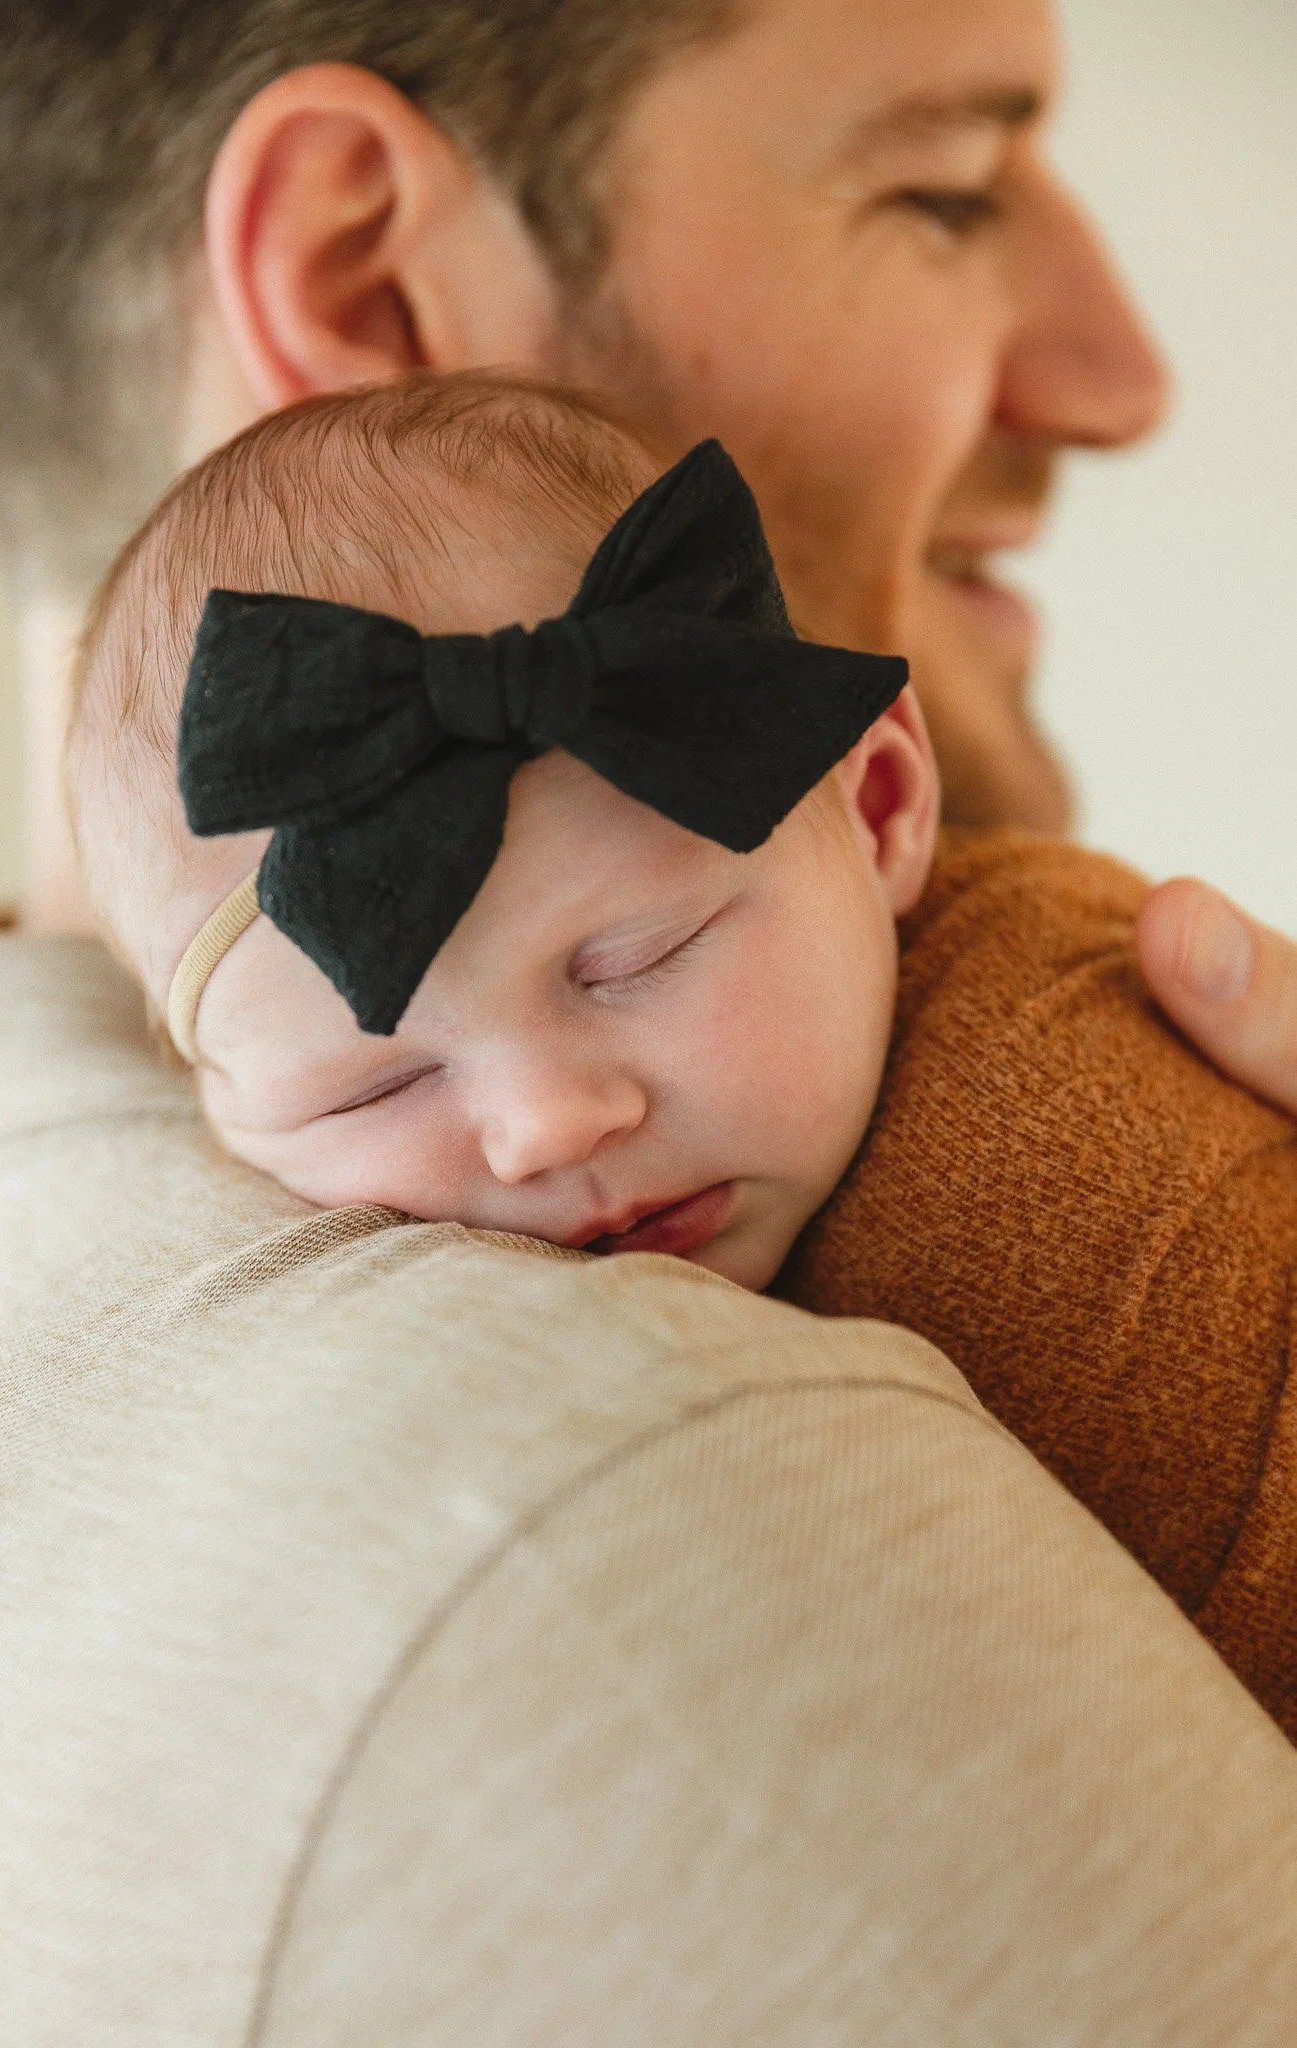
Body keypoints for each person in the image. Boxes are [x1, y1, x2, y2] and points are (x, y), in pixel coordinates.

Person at [0, 4, 1297, 2036]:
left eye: (639, 953)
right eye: (937, 187)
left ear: (883, 800)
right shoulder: (705, 1501)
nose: (1121, 373)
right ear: (358, 269)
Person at [69, 377, 1296, 1735]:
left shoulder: (1050, 1041)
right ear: (212, 1102)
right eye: (380, 1082)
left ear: (877, 808)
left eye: (637, 959)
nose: (548, 1126)